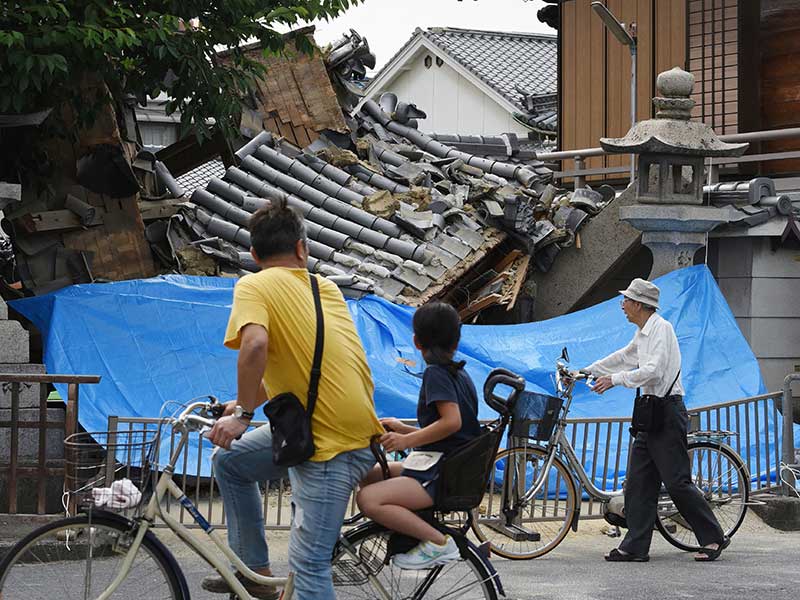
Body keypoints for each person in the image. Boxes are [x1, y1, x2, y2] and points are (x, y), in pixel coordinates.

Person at [205, 199, 383, 600]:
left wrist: (245, 415)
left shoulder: (252, 284)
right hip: (345, 424)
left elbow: (254, 347)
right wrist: (240, 405)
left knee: (309, 565)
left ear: (253, 255)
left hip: (327, 440)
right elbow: (305, 366)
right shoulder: (327, 288)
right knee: (230, 461)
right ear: (302, 248)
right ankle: (254, 572)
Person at [583, 278, 729, 562]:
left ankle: (713, 538)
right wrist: (587, 369)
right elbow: (624, 357)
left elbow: (653, 371)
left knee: (676, 482)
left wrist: (614, 380)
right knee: (639, 481)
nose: (622, 305)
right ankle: (635, 547)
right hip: (650, 413)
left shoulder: (662, 329)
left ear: (638, 304)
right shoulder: (642, 333)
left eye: (625, 300)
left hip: (667, 411)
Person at [357, 302, 481, 570]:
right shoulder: (459, 373)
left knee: (368, 499)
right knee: (368, 474)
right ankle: (405, 532)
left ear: (416, 340)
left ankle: (437, 542)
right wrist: (403, 429)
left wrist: (405, 441)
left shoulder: (436, 373)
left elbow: (451, 422)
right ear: (456, 339)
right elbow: (451, 432)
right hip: (446, 466)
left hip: (440, 474)